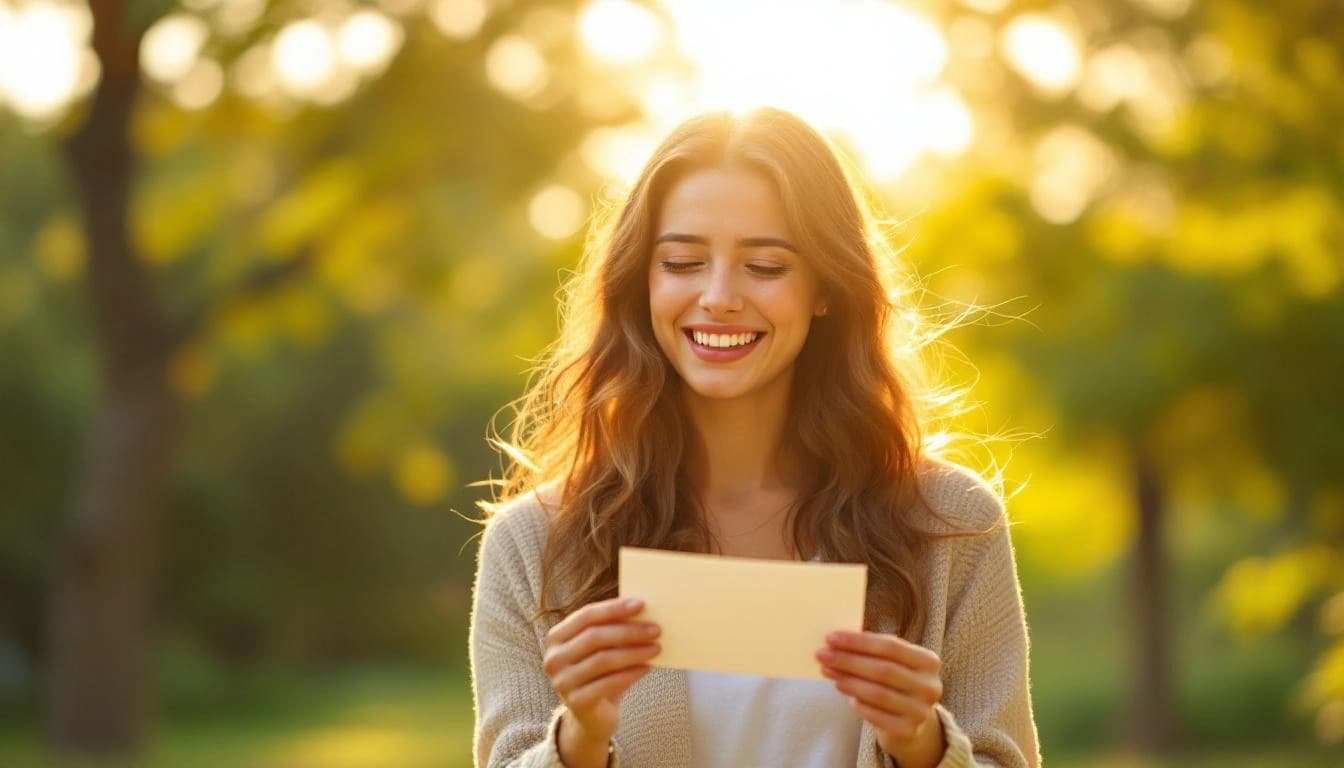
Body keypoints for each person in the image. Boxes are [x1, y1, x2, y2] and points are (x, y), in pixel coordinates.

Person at [469, 107, 1039, 768]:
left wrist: (925, 746)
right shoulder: (534, 543)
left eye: (765, 267)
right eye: (681, 261)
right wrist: (578, 743)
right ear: (641, 281)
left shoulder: (950, 526)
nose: (718, 297)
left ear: (825, 286)